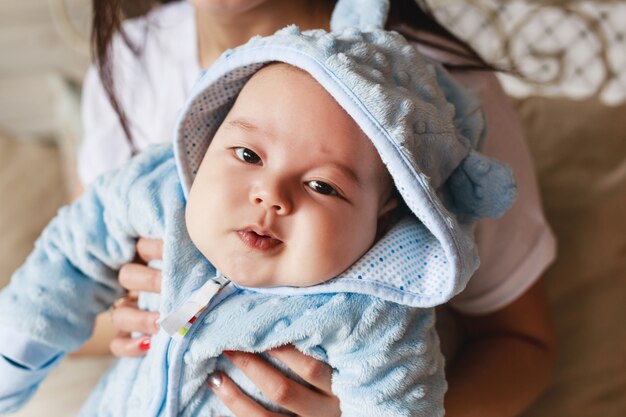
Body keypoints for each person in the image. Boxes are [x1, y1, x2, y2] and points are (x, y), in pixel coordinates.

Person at [0, 18, 518, 416]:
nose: (271, 195)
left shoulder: (370, 316)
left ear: (381, 220)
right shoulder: (161, 194)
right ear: (206, 142)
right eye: (248, 155)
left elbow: (400, 404)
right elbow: (66, 258)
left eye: (322, 186)